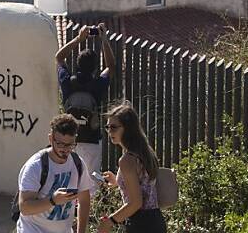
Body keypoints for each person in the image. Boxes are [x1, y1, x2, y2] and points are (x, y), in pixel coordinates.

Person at [17, 114, 94, 233]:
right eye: (60, 144)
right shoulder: (36, 166)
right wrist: (52, 201)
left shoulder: (78, 164)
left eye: (70, 145)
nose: (65, 149)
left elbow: (84, 200)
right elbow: (24, 207)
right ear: (50, 138)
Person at [96, 103, 166, 233]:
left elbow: (136, 203)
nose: (110, 131)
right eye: (107, 127)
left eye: (114, 127)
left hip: (140, 223)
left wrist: (109, 222)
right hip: (156, 220)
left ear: (128, 128)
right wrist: (116, 182)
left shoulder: (127, 160)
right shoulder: (145, 152)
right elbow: (142, 185)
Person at [56, 22, 115, 172]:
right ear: (95, 67)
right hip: (91, 139)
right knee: (91, 183)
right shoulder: (97, 84)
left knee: (69, 179)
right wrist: (104, 39)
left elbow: (59, 58)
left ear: (77, 64)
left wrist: (78, 39)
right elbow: (111, 67)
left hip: (69, 138)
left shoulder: (67, 82)